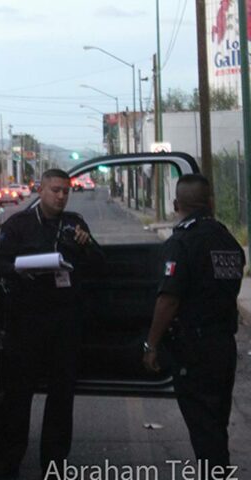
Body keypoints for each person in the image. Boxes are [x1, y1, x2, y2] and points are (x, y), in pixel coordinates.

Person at [0, 168, 104, 478]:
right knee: (18, 395)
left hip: (64, 322)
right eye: (55, 190)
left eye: (66, 191)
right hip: (26, 321)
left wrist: (85, 245)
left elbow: (98, 263)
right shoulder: (20, 224)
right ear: (41, 190)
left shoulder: (74, 223)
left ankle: (54, 463)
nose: (61, 196)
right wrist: (21, 269)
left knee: (61, 397)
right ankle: (10, 458)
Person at [142, 174, 244, 476]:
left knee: (203, 426)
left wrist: (152, 344)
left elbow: (168, 300)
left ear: (176, 205)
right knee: (216, 423)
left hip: (195, 350)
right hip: (224, 345)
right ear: (210, 203)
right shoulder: (226, 239)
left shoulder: (182, 242)